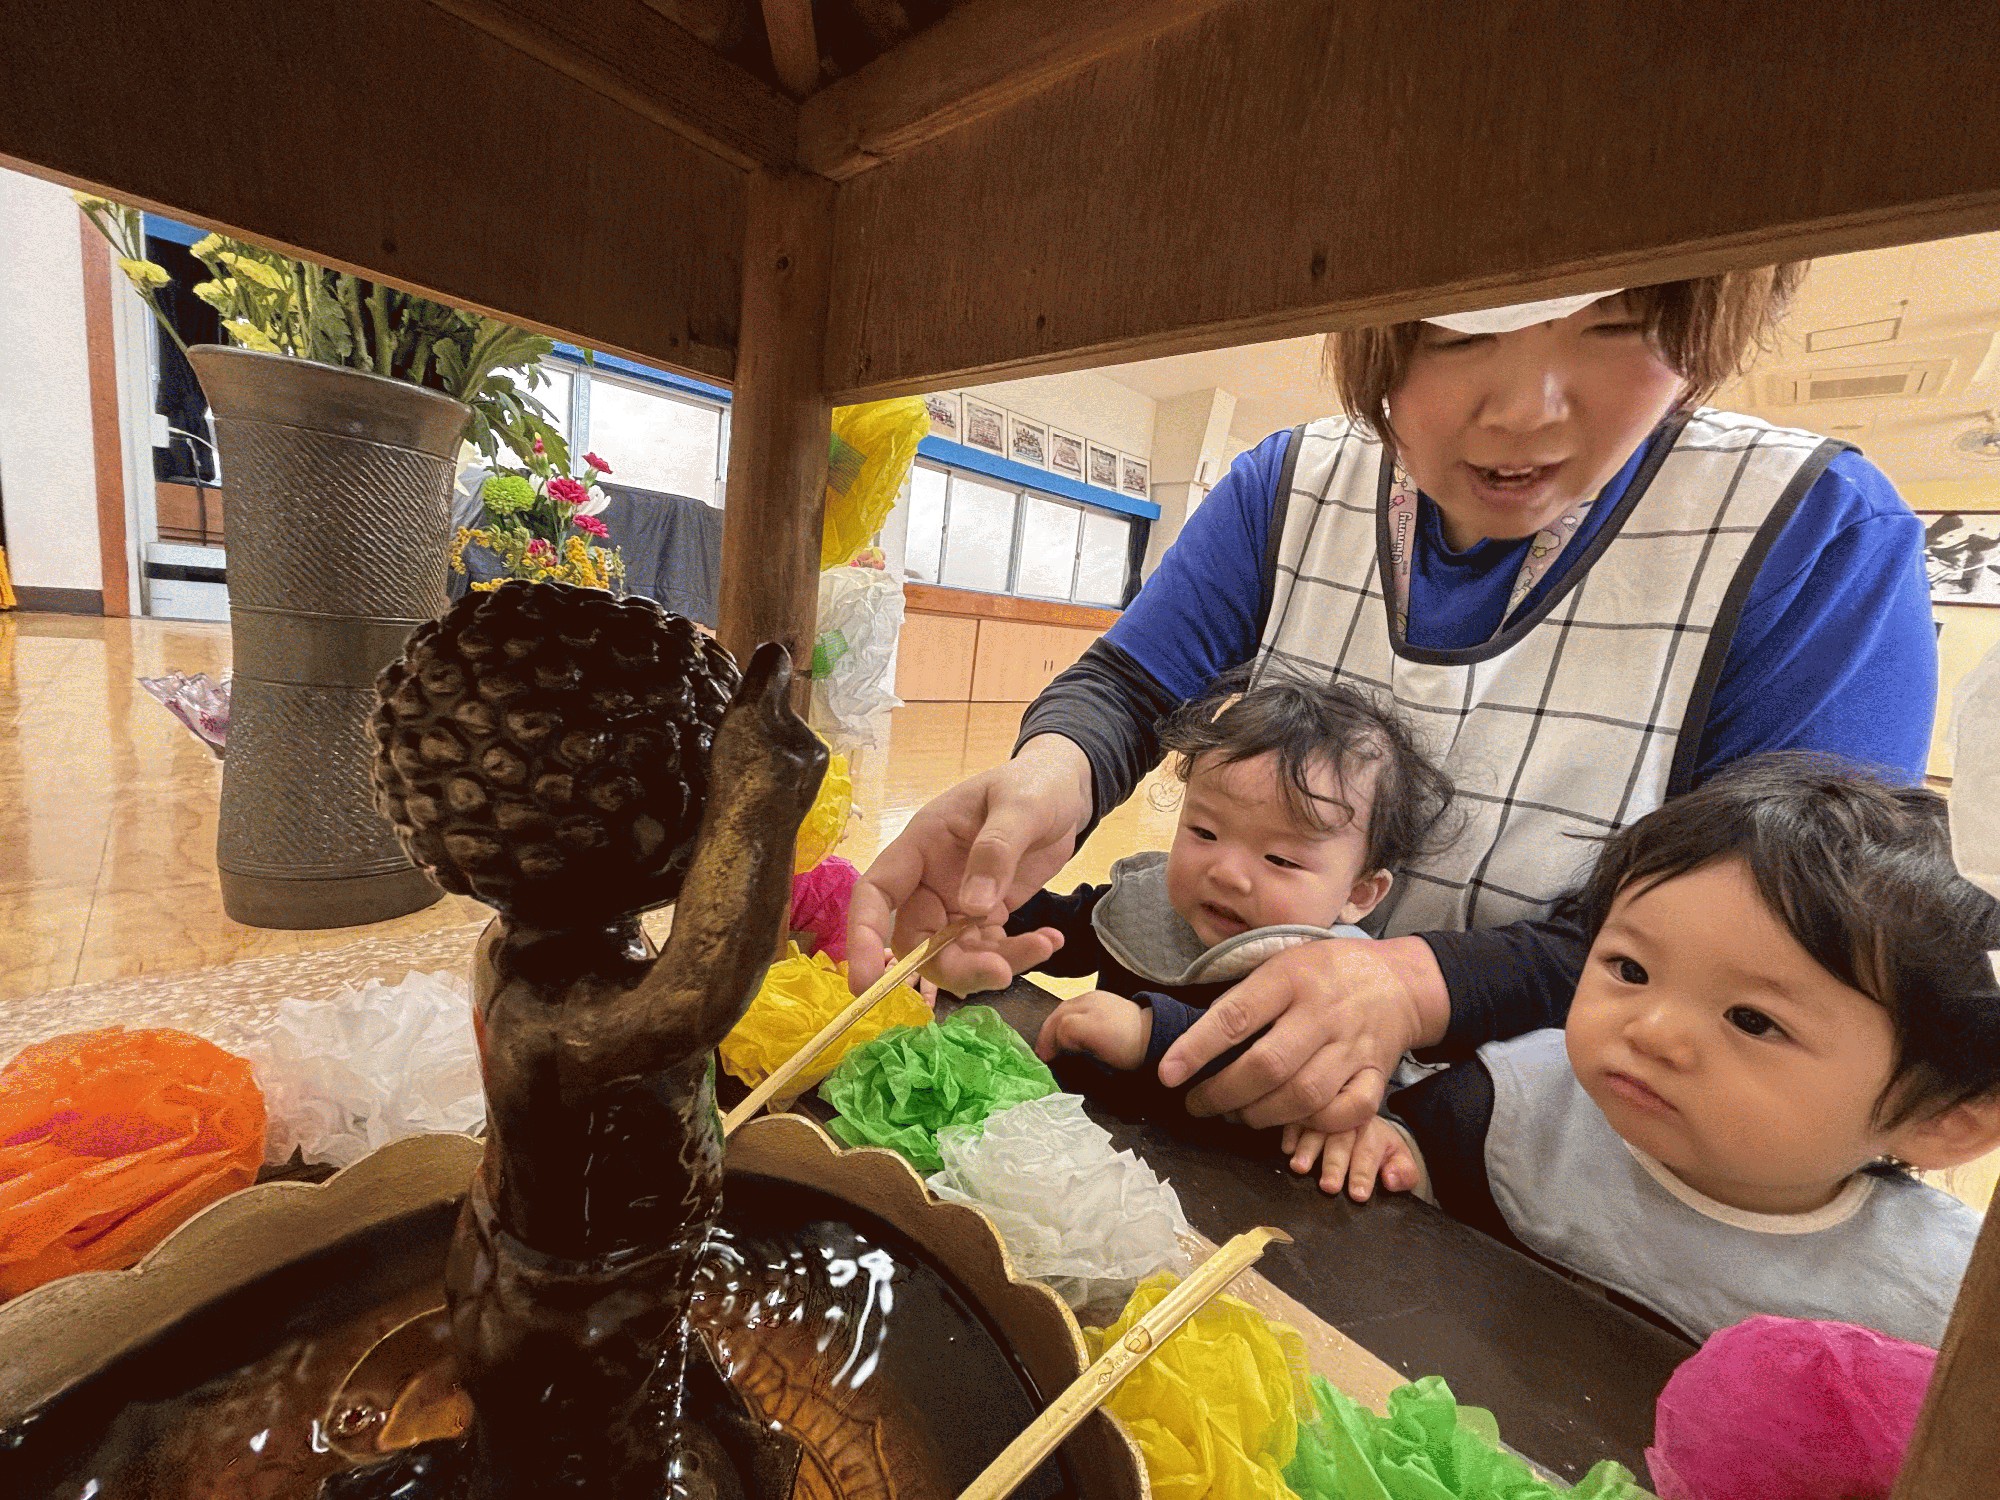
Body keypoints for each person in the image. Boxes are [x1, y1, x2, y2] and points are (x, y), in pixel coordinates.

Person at [850, 271, 1938, 1143]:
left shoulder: (1812, 533)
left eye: (1615, 323)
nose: (1524, 412)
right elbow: (1130, 688)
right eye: (1460, 331)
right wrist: (1049, 779)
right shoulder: (1288, 483)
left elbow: (1780, 953)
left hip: (1542, 1174)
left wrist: (1412, 984)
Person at [1310, 756, 2000, 1347]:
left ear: (1948, 1122)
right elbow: (1397, 1172)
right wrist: (1375, 1146)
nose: (1653, 1031)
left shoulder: (1950, 1304)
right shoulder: (1516, 1103)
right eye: (1631, 970)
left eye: (1753, 1021)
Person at [922, 672, 1452, 1089]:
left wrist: (1148, 1035)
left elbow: (1279, 1064)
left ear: (1359, 894)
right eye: (1204, 832)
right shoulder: (1156, 905)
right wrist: (980, 924)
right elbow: (1067, 930)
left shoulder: (1339, 981)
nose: (1226, 872)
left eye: (1280, 859)